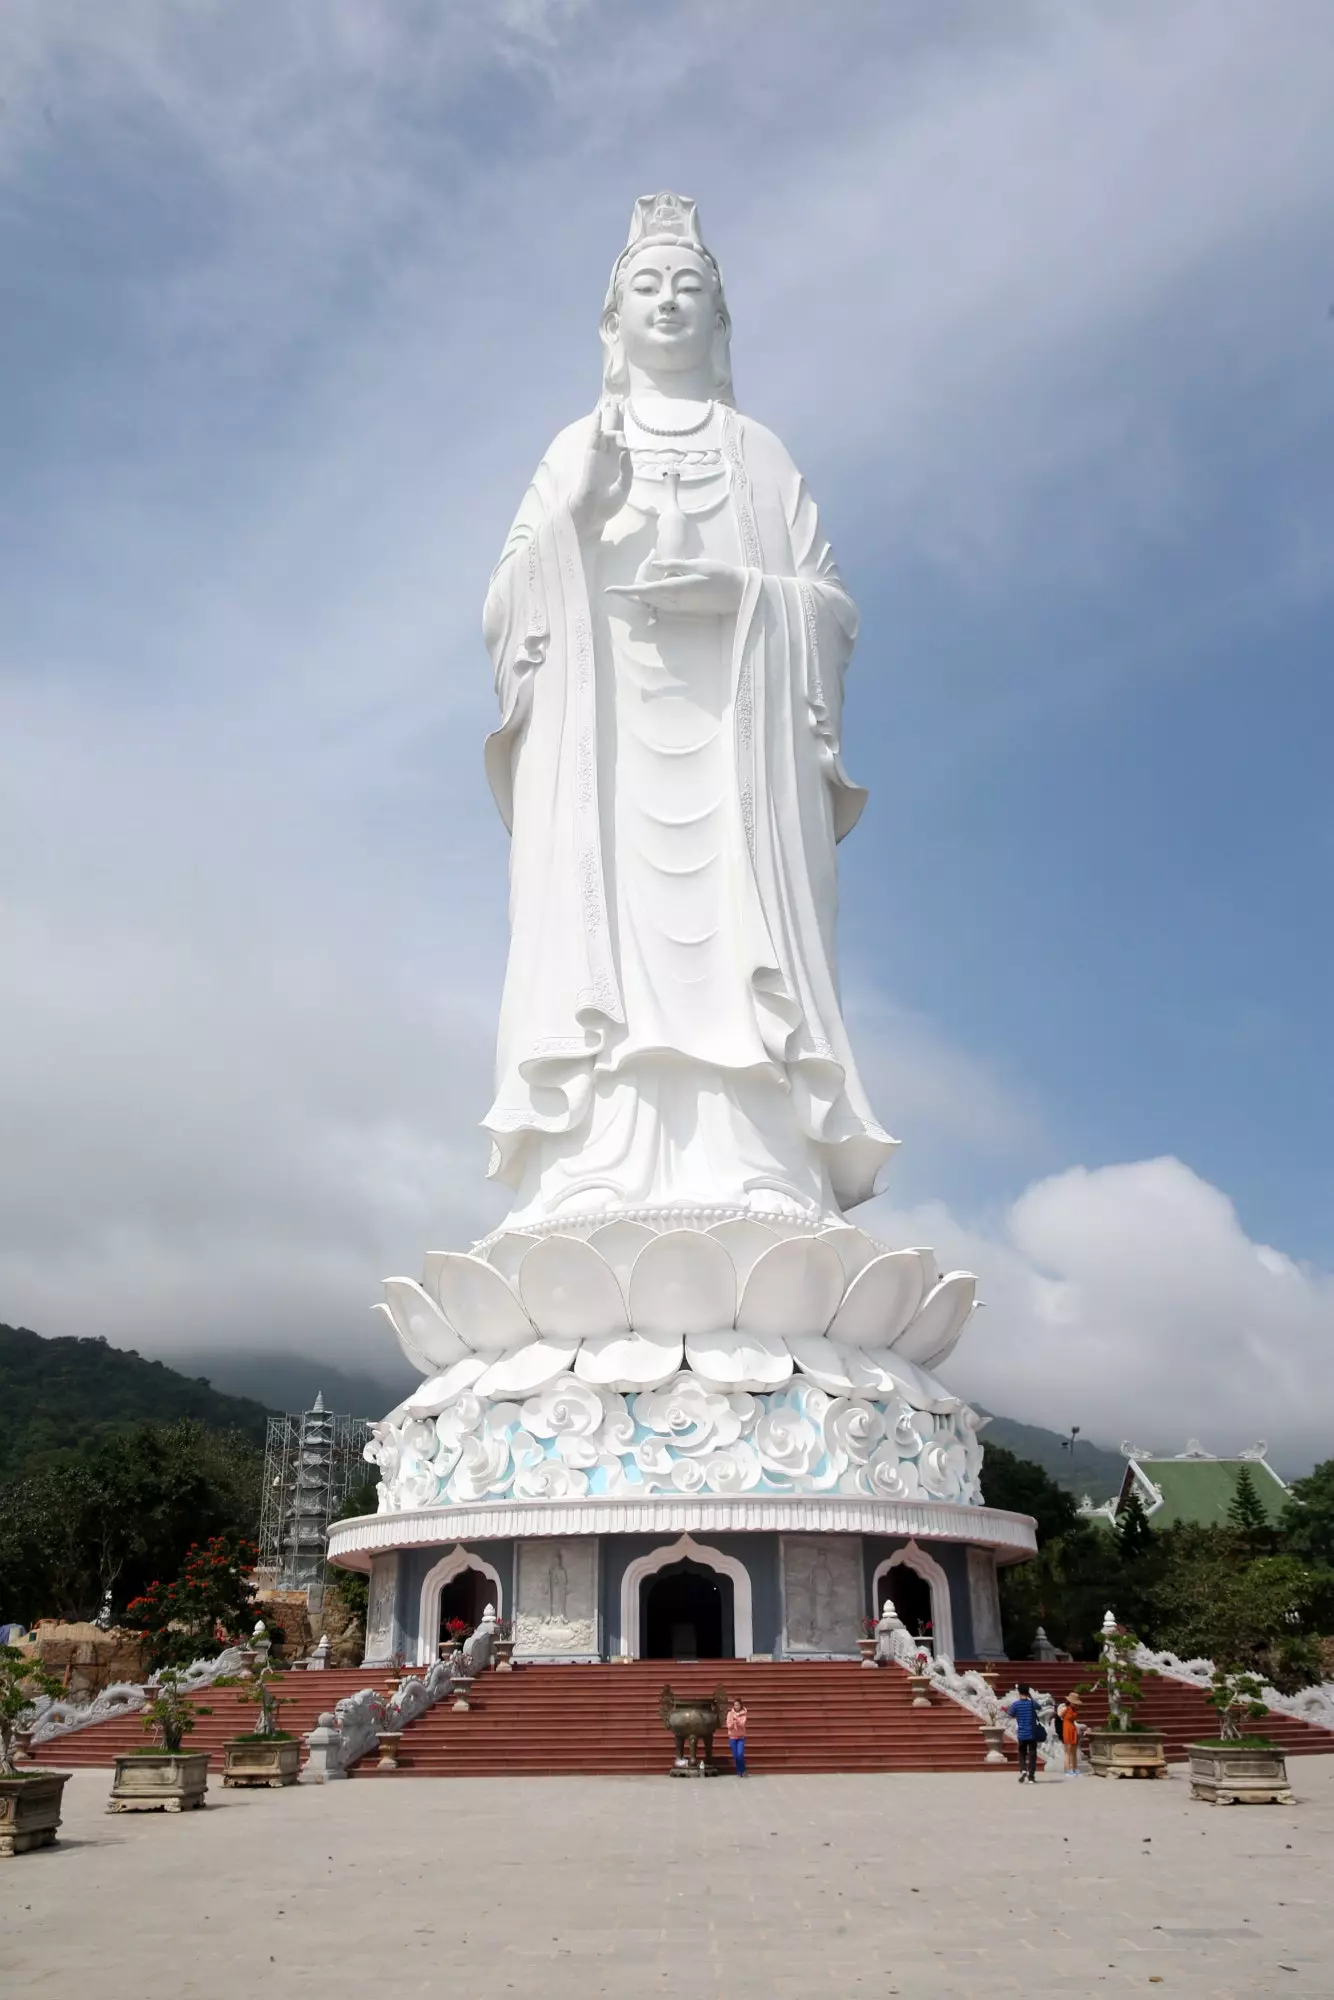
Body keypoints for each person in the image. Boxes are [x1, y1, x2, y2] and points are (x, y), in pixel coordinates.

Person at [1005, 1683, 1041, 1783]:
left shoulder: (1016, 1704)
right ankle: (1031, 1776)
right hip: (1032, 1733)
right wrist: (1031, 1697)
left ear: (1019, 1692)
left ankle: (1023, 1769)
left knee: (1022, 1753)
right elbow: (1039, 1707)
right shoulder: (1031, 1703)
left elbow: (1010, 1714)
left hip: (1022, 1733)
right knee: (1033, 1754)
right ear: (1028, 1692)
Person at [1056, 1692, 1082, 1775]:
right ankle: (1068, 1769)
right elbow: (1058, 1716)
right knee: (1068, 1751)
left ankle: (1075, 1768)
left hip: (1073, 1729)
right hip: (1066, 1728)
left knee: (1074, 1751)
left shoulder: (1075, 1709)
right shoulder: (1065, 1709)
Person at [726, 1697, 748, 1777]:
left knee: (740, 1754)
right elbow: (728, 1725)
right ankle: (740, 1771)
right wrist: (732, 1723)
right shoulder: (730, 1714)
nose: (736, 1707)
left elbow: (742, 1724)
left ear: (740, 1705)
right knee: (735, 1756)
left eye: (738, 1705)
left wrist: (737, 1721)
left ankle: (743, 1770)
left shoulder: (744, 1713)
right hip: (732, 1737)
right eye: (735, 1705)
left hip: (740, 1737)